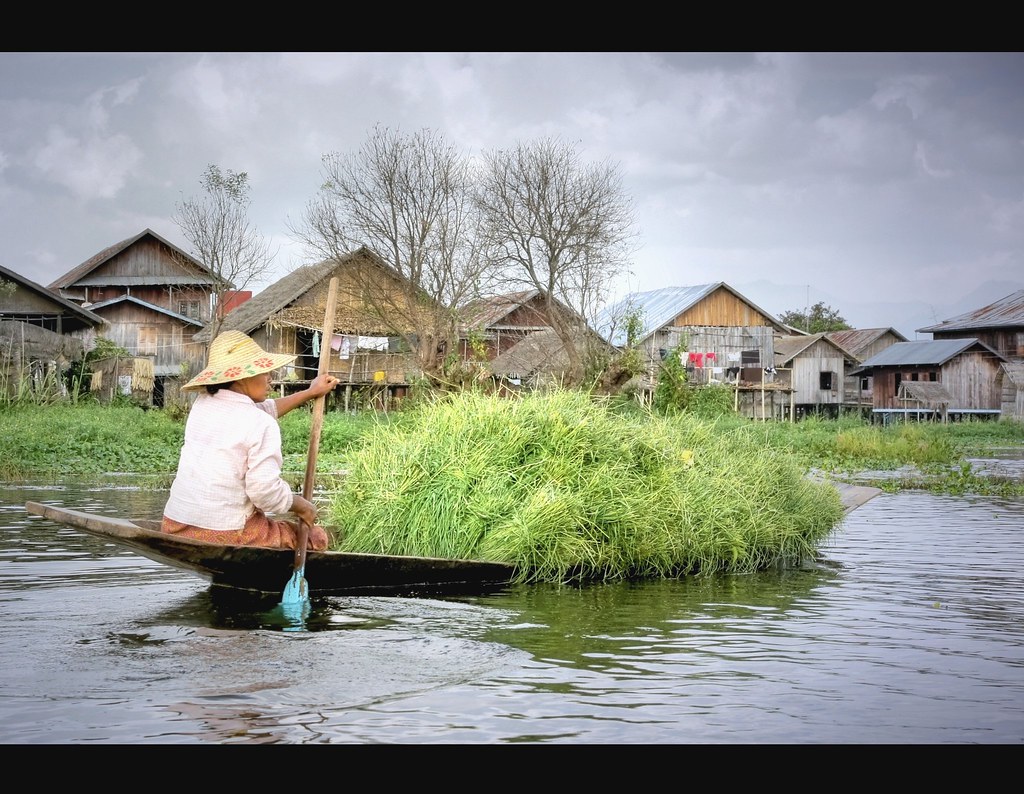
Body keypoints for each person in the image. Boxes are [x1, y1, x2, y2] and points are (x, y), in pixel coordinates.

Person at [162, 330, 340, 550]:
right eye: (264, 371)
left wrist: (310, 393)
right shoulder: (260, 423)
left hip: (175, 524)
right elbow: (264, 492)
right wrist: (301, 505)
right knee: (313, 537)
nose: (270, 378)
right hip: (226, 532)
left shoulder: (203, 404)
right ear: (242, 376)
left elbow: (262, 410)